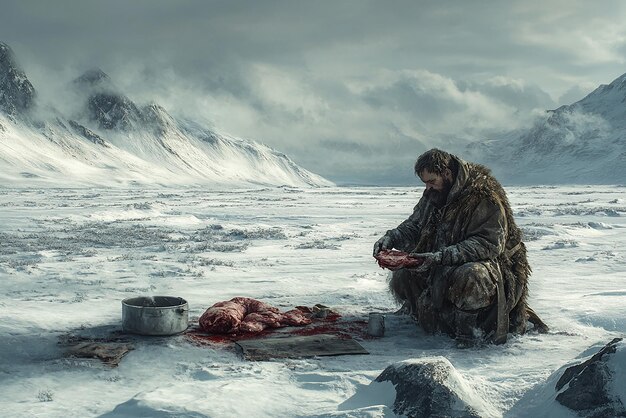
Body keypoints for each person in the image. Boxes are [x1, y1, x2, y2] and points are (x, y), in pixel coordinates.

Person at [373, 149, 546, 344]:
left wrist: (440, 257)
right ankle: (424, 318)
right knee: (405, 272)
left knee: (471, 275)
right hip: (445, 258)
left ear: (447, 173)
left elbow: (488, 244)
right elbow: (415, 224)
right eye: (425, 183)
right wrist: (391, 238)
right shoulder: (436, 193)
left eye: (432, 182)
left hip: (489, 267)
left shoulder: (484, 196)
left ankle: (471, 333)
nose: (428, 188)